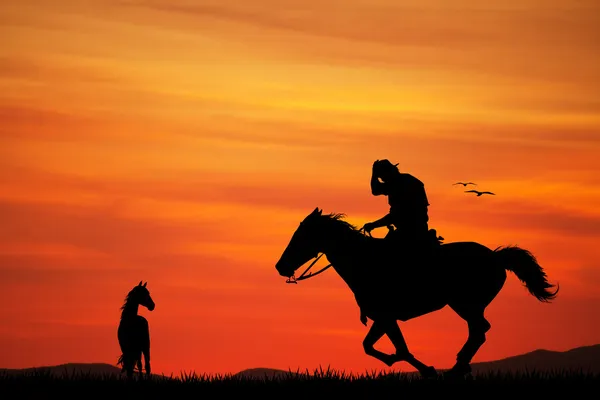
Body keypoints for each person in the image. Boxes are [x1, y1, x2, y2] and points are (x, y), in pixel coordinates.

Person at [358, 159, 441, 327]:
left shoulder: (404, 184)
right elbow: (375, 191)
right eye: (380, 178)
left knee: (384, 258)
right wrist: (374, 173)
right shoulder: (396, 183)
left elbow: (396, 215)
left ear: (389, 173)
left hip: (412, 230)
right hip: (406, 229)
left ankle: (397, 297)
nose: (382, 181)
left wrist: (374, 224)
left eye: (382, 177)